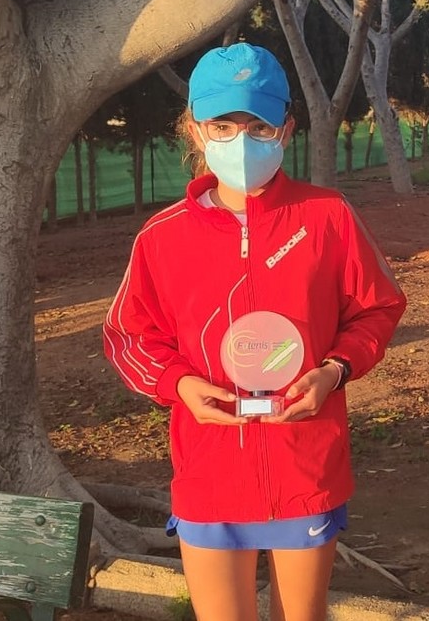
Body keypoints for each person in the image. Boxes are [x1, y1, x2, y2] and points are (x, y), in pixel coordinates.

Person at [103, 42, 406, 621]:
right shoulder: (161, 237)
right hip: (208, 467)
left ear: (286, 127)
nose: (240, 139)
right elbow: (129, 335)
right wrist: (177, 385)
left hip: (304, 461)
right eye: (222, 124)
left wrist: (334, 370)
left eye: (258, 124)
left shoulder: (327, 216)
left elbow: (378, 307)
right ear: (194, 129)